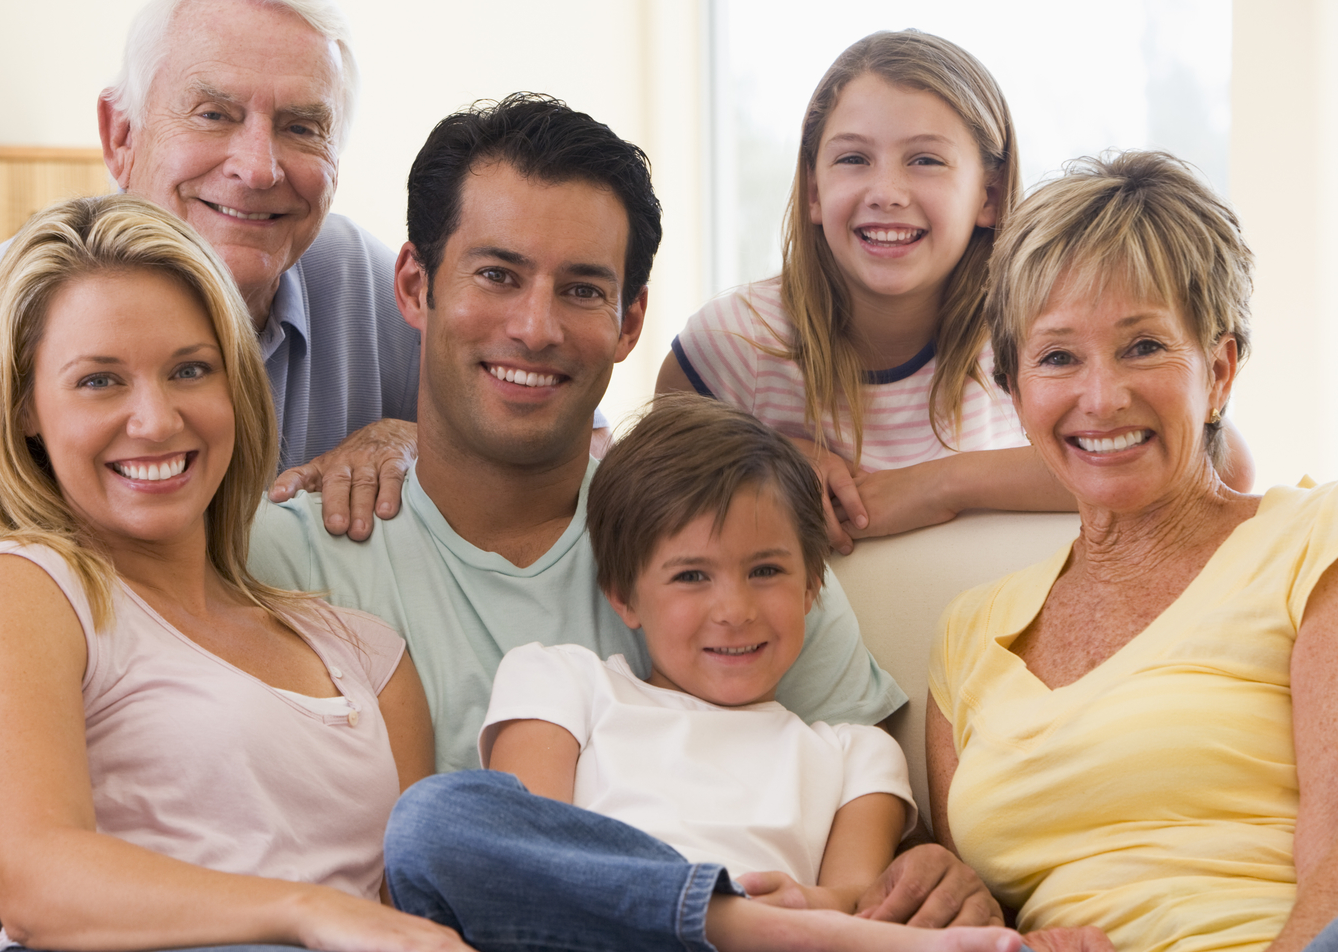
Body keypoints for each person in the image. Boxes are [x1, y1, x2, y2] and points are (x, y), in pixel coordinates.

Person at [250, 92, 1000, 927]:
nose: (536, 328)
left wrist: (937, 872)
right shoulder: (288, 558)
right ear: (417, 286)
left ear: (629, 320)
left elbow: (875, 827)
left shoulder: (733, 550)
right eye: (497, 275)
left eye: (581, 290)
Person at [0, 0, 417, 918]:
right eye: (214, 112)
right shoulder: (17, 303)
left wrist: (415, 437)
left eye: (302, 125)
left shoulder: (362, 277)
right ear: (120, 134)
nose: (259, 164)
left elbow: (560, 442)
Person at [0, 193, 461, 952]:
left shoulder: (367, 654)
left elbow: (410, 922)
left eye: (190, 370)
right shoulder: (27, 586)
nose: (155, 420)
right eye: (99, 381)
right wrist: (311, 910)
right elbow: (36, 880)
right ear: (26, 408)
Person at [383, 395, 1020, 952]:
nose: (734, 612)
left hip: (783, 943)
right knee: (432, 818)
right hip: (588, 938)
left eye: (766, 571)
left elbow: (858, 907)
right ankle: (726, 923)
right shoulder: (563, 681)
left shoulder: (858, 754)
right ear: (624, 596)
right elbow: (533, 855)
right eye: (691, 576)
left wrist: (816, 911)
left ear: (811, 588)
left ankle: (740, 930)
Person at [927, 151, 1338, 952]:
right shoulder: (969, 637)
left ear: (1217, 372)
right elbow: (978, 912)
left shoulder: (1312, 542)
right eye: (1057, 357)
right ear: (1014, 391)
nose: (1102, 396)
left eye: (1144, 346)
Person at [657, 31, 1252, 554]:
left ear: (988, 195)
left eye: (925, 160)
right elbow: (646, 502)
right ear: (813, 191)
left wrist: (942, 484)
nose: (887, 191)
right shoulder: (734, 344)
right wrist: (763, 459)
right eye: (853, 159)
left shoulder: (1036, 338)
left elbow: (1220, 461)